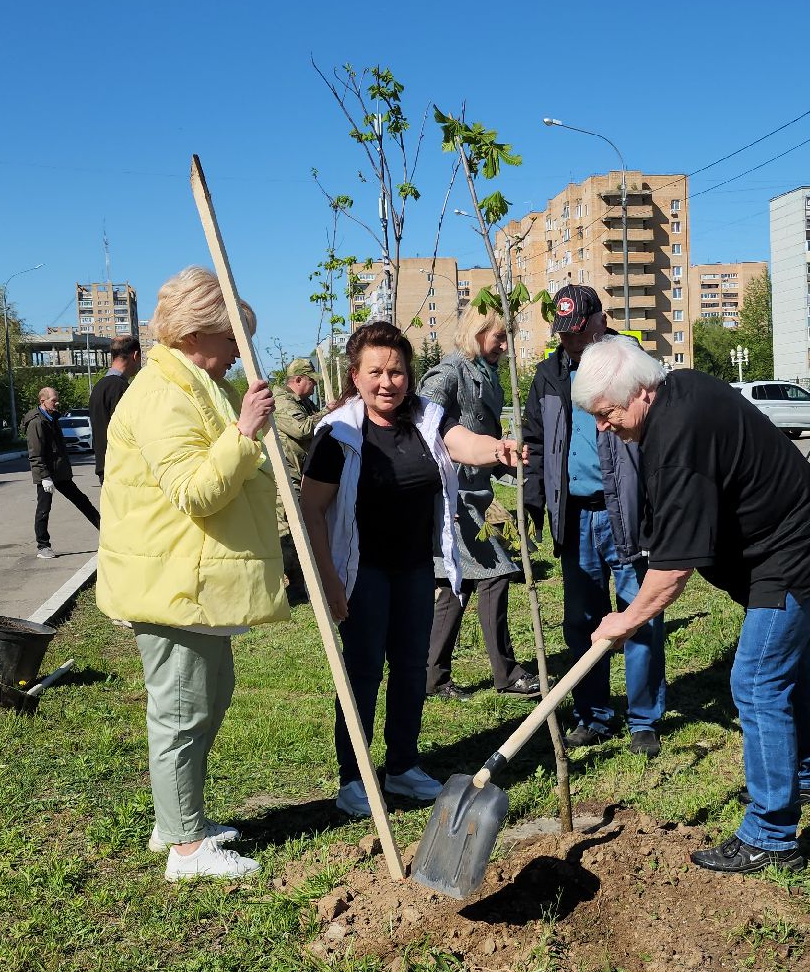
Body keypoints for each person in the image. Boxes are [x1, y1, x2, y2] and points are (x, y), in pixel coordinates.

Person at [578, 336, 810, 875]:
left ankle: (771, 833)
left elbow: (672, 573)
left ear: (639, 392)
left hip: (796, 550)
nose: (602, 426)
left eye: (606, 412)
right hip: (797, 539)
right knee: (788, 663)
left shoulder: (676, 440)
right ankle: (807, 774)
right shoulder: (680, 388)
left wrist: (626, 619)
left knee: (755, 681)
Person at [96, 266, 287, 881]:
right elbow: (195, 490)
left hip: (192, 581)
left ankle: (179, 820)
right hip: (172, 583)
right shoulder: (159, 395)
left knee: (202, 701)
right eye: (233, 338)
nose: (237, 353)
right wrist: (244, 433)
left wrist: (244, 431)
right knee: (181, 709)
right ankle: (184, 847)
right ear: (200, 330)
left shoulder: (194, 387)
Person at [299, 321, 524, 820]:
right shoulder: (339, 433)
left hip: (417, 567)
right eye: (375, 372)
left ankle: (402, 764)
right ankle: (354, 777)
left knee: (409, 669)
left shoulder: (426, 417)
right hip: (363, 572)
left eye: (397, 371)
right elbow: (311, 508)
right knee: (361, 674)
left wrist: (497, 449)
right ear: (355, 376)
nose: (387, 382)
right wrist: (330, 583)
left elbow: (463, 441)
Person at [520, 285, 667, 755]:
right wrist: (532, 503)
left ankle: (643, 719)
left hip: (625, 512)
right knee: (580, 620)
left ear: (601, 321)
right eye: (564, 335)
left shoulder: (630, 364)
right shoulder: (549, 375)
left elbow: (658, 438)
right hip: (575, 517)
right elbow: (536, 445)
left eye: (579, 332)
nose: (572, 343)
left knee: (638, 614)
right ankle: (593, 713)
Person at [417, 312, 540, 700]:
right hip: (452, 499)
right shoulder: (449, 374)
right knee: (495, 575)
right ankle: (507, 673)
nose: (505, 346)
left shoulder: (484, 373)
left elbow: (484, 438)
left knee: (459, 585)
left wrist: (508, 461)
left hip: (476, 496)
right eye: (499, 337)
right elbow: (422, 434)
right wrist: (433, 497)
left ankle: (432, 676)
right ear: (477, 332)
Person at [272, 358, 327, 605]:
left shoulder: (303, 402)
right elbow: (302, 429)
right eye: (311, 381)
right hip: (284, 476)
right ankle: (296, 585)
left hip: (300, 473)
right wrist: (329, 411)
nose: (314, 387)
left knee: (301, 525)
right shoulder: (283, 402)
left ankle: (304, 582)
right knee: (288, 528)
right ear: (297, 380)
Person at [24, 386, 100, 559]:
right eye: (53, 400)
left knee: (82, 501)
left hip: (60, 472)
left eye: (57, 399)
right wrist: (44, 477)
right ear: (43, 401)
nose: (57, 402)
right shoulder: (37, 422)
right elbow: (35, 454)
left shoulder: (52, 418)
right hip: (47, 475)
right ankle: (43, 546)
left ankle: (106, 532)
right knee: (44, 510)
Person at [88, 334, 142, 483]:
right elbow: (128, 429)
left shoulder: (100, 386)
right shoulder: (119, 387)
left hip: (106, 465)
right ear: (135, 355)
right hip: (120, 468)